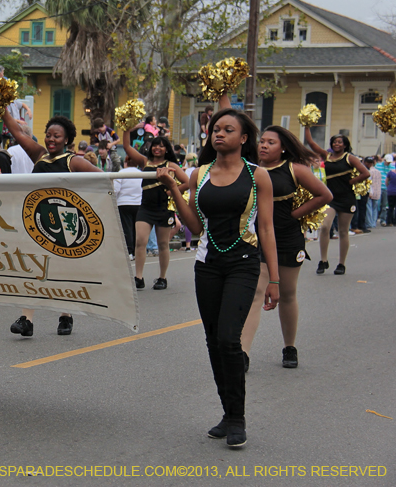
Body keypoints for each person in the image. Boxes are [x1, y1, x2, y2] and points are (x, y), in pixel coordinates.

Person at [159, 97, 279, 448]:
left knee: (229, 339)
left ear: (244, 138)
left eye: (228, 130)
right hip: (207, 265)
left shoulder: (259, 176)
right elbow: (195, 227)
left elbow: (268, 228)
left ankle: (238, 418)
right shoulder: (200, 174)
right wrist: (173, 191)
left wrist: (273, 278)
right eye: (215, 129)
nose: (219, 134)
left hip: (243, 263)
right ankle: (227, 413)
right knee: (213, 342)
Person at [240, 125, 332, 372]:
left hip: (288, 239)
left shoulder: (295, 169)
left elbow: (324, 195)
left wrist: (296, 214)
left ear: (283, 149)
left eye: (271, 142)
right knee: (257, 292)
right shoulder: (249, 169)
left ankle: (289, 347)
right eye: (262, 141)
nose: (264, 145)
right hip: (258, 239)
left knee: (288, 293)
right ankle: (243, 353)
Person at [3, 108, 101, 337]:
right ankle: (26, 320)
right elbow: (17, 133)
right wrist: (3, 109)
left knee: (60, 271)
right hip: (37, 221)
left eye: (57, 136)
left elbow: (102, 179)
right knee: (34, 269)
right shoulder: (40, 155)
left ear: (67, 139)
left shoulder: (74, 162)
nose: (51, 139)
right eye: (48, 135)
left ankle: (65, 316)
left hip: (66, 225)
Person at [121, 128, 189, 291]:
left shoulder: (171, 165)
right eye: (154, 145)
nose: (157, 148)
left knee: (163, 244)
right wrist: (126, 128)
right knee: (140, 241)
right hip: (145, 207)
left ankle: (162, 277)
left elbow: (187, 182)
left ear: (167, 149)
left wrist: (172, 190)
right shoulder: (145, 162)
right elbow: (127, 148)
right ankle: (138, 277)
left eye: (161, 146)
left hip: (164, 208)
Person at [303, 129, 369, 275]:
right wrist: (307, 126)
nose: (336, 144)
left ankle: (341, 264)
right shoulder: (327, 156)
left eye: (339, 142)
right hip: (331, 198)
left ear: (345, 145)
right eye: (334, 142)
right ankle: (323, 260)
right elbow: (311, 143)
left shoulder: (350, 158)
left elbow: (366, 173)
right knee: (325, 227)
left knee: (343, 231)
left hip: (347, 198)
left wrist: (351, 181)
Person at [114, 157, 143, 261]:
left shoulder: (121, 173)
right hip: (138, 203)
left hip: (123, 203)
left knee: (127, 228)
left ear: (125, 163)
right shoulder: (141, 173)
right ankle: (136, 252)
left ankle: (129, 251)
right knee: (136, 229)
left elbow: (115, 189)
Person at [366, 157, 381, 230]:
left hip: (371, 191)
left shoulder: (369, 171)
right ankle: (373, 222)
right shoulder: (378, 172)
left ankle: (369, 223)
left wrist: (370, 191)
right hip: (377, 191)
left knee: (369, 208)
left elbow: (369, 183)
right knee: (375, 208)